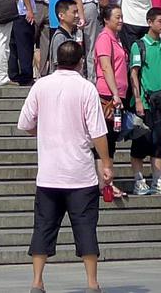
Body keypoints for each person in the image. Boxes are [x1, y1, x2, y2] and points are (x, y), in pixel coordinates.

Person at [18, 38, 114, 293]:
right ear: (81, 62)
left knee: (43, 227)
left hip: (49, 174)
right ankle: (92, 283)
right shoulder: (86, 88)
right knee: (86, 228)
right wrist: (106, 163)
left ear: (57, 60)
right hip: (80, 175)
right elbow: (97, 133)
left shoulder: (41, 86)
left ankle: (37, 281)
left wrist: (45, 130)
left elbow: (26, 123)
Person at [129, 7, 161, 195]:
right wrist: (138, 99)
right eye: (160, 21)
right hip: (145, 102)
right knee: (141, 142)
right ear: (150, 22)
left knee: (159, 142)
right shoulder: (139, 45)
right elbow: (134, 72)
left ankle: (158, 178)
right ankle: (138, 179)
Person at [92, 4, 130, 136]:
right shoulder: (104, 38)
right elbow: (106, 67)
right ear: (106, 20)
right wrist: (115, 93)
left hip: (119, 92)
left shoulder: (117, 38)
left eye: (122, 17)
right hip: (108, 93)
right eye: (117, 17)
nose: (121, 21)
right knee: (108, 135)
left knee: (114, 134)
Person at [47, 0, 92, 81]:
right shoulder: (59, 37)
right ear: (61, 16)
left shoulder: (75, 34)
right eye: (74, 12)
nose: (77, 15)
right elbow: (57, 64)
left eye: (77, 12)